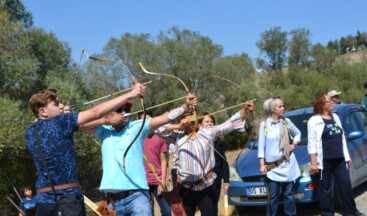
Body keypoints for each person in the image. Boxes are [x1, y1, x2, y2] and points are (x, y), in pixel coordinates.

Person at [26, 83, 146, 216]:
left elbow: (41, 122)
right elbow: (96, 112)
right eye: (56, 104)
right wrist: (131, 94)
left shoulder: (30, 131)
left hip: (43, 202)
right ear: (43, 111)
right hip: (68, 200)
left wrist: (60, 114)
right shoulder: (62, 122)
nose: (61, 106)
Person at [80, 95, 197, 216]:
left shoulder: (137, 126)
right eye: (119, 110)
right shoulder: (104, 130)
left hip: (137, 197)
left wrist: (185, 106)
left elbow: (164, 118)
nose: (124, 113)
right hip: (111, 201)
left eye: (127, 110)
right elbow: (82, 124)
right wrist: (106, 121)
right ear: (110, 113)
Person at [175, 101, 254, 216]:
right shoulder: (176, 136)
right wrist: (178, 125)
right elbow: (157, 127)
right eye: (189, 114)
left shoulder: (207, 132)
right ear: (181, 119)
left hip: (206, 185)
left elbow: (227, 125)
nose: (193, 116)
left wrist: (244, 110)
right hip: (185, 188)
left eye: (194, 114)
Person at [308, 93, 364, 216]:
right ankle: (327, 213)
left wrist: (347, 156)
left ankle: (351, 211)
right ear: (321, 104)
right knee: (326, 189)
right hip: (325, 161)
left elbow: (342, 138)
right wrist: (313, 163)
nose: (332, 102)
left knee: (346, 186)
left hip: (339, 159)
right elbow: (312, 143)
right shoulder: (314, 121)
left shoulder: (335, 117)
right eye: (329, 101)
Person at [258, 97, 301, 216]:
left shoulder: (286, 121)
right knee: (273, 197)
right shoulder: (265, 125)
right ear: (273, 109)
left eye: (283, 106)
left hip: (288, 164)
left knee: (289, 195)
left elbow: (297, 133)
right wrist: (262, 164)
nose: (283, 108)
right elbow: (261, 146)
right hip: (272, 167)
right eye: (280, 106)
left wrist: (294, 143)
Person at [137, 110, 171, 216]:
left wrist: (163, 181)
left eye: (149, 119)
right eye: (143, 120)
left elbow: (163, 160)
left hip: (157, 181)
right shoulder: (135, 138)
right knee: (147, 212)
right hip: (141, 182)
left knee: (167, 211)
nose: (146, 122)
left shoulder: (160, 138)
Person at [198, 112, 230, 209]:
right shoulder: (197, 139)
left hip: (217, 177)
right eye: (206, 121)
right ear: (200, 124)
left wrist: (226, 180)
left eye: (211, 121)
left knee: (214, 205)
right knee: (206, 207)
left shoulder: (218, 140)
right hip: (202, 179)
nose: (209, 123)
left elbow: (223, 160)